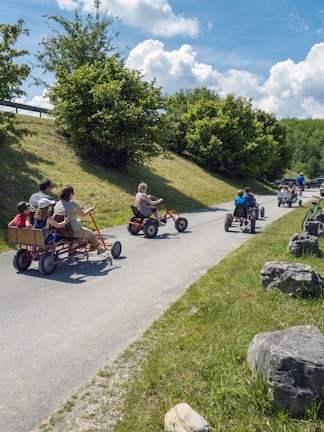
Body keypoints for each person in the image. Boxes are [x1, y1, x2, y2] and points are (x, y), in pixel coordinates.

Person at [53, 185, 105, 255]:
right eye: (72, 194)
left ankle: (71, 249)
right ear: (70, 194)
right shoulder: (72, 204)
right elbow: (83, 214)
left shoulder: (57, 203)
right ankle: (99, 249)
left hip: (61, 230)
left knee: (79, 220)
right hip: (73, 231)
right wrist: (89, 210)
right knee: (91, 234)